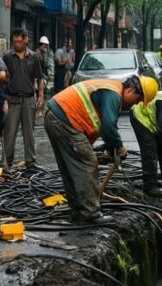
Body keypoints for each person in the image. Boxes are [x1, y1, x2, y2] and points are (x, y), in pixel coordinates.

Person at [44, 75, 148, 223]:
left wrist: (109, 148)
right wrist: (119, 147)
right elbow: (108, 127)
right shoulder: (114, 95)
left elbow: (100, 124)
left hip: (56, 116)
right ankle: (90, 213)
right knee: (87, 164)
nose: (135, 104)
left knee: (70, 167)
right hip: (66, 119)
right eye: (138, 100)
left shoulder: (111, 90)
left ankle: (77, 210)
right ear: (131, 90)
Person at [2, 28, 45, 169]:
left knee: (29, 133)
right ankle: (6, 163)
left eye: (19, 41)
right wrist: (4, 100)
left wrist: (41, 96)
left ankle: (31, 162)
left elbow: (40, 78)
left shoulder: (34, 57)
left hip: (29, 99)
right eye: (14, 41)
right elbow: (3, 80)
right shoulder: (7, 57)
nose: (17, 44)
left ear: (26, 40)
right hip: (12, 99)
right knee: (10, 133)